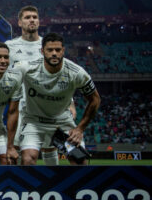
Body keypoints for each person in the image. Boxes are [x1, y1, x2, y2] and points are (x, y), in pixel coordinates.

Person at [12, 33, 100, 166]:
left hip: (62, 124)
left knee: (80, 161)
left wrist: (80, 129)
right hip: (33, 122)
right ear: (42, 51)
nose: (54, 53)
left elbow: (95, 99)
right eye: (50, 50)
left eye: (58, 50)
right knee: (28, 160)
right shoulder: (27, 68)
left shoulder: (76, 72)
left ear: (63, 51)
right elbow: (1, 76)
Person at [5, 5, 76, 165]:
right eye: (27, 17)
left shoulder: (49, 47)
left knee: (51, 148)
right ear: (19, 22)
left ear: (39, 22)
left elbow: (62, 75)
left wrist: (70, 103)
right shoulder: (10, 47)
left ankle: (53, 187)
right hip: (21, 107)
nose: (32, 20)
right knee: (15, 149)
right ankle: (15, 187)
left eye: (35, 17)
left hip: (48, 105)